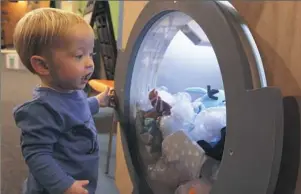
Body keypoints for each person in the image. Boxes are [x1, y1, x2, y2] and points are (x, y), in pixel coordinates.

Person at [13, 8, 113, 194]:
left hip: (79, 178)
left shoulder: (71, 91)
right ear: (43, 65)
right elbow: (37, 155)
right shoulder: (43, 110)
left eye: (91, 54)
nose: (90, 63)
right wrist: (64, 185)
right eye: (79, 55)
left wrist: (98, 101)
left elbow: (77, 110)